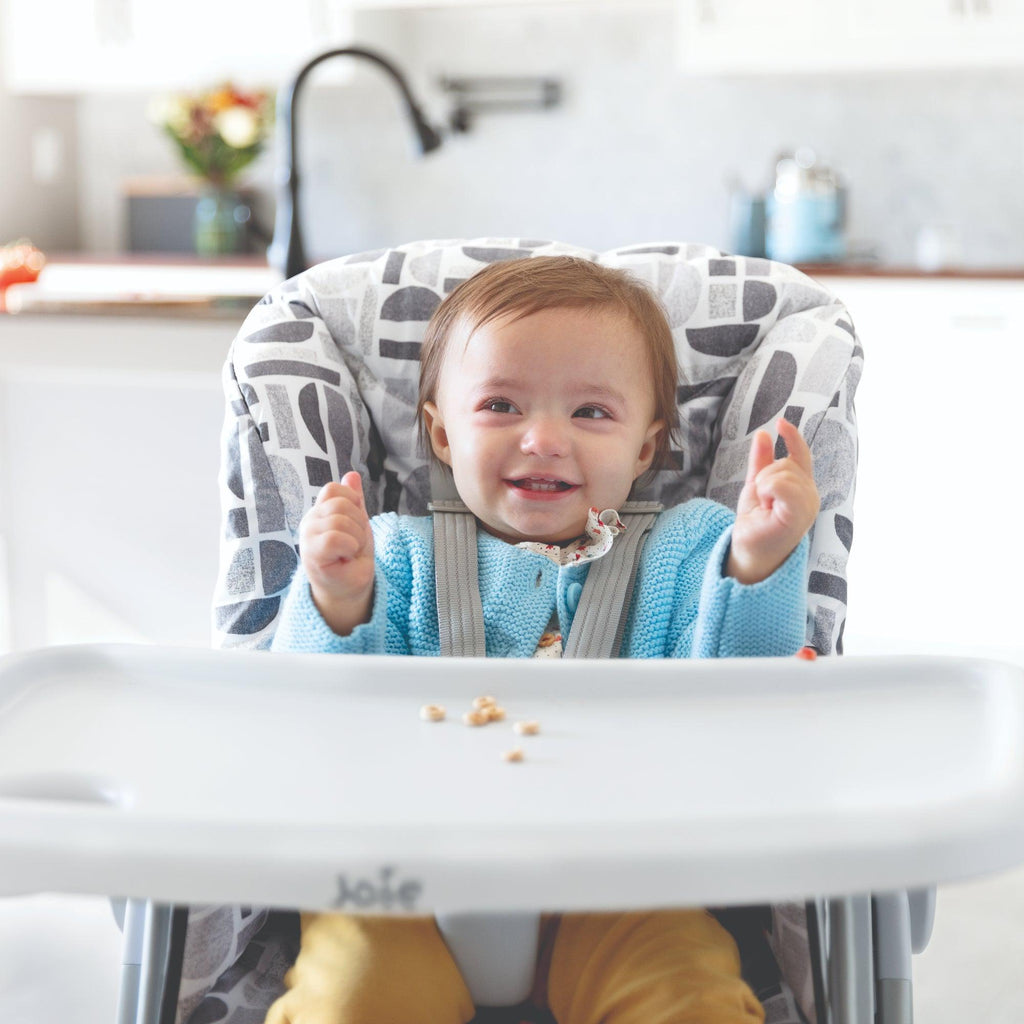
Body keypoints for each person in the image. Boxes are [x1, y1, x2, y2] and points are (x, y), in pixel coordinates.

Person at [265, 256, 820, 1024]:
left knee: (688, 998)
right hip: (398, 890)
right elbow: (311, 727)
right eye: (500, 404)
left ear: (647, 447)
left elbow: (745, 705)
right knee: (352, 997)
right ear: (442, 434)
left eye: (591, 413)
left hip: (626, 887)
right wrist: (337, 597)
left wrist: (759, 561)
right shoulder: (392, 554)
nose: (544, 439)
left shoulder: (693, 550)